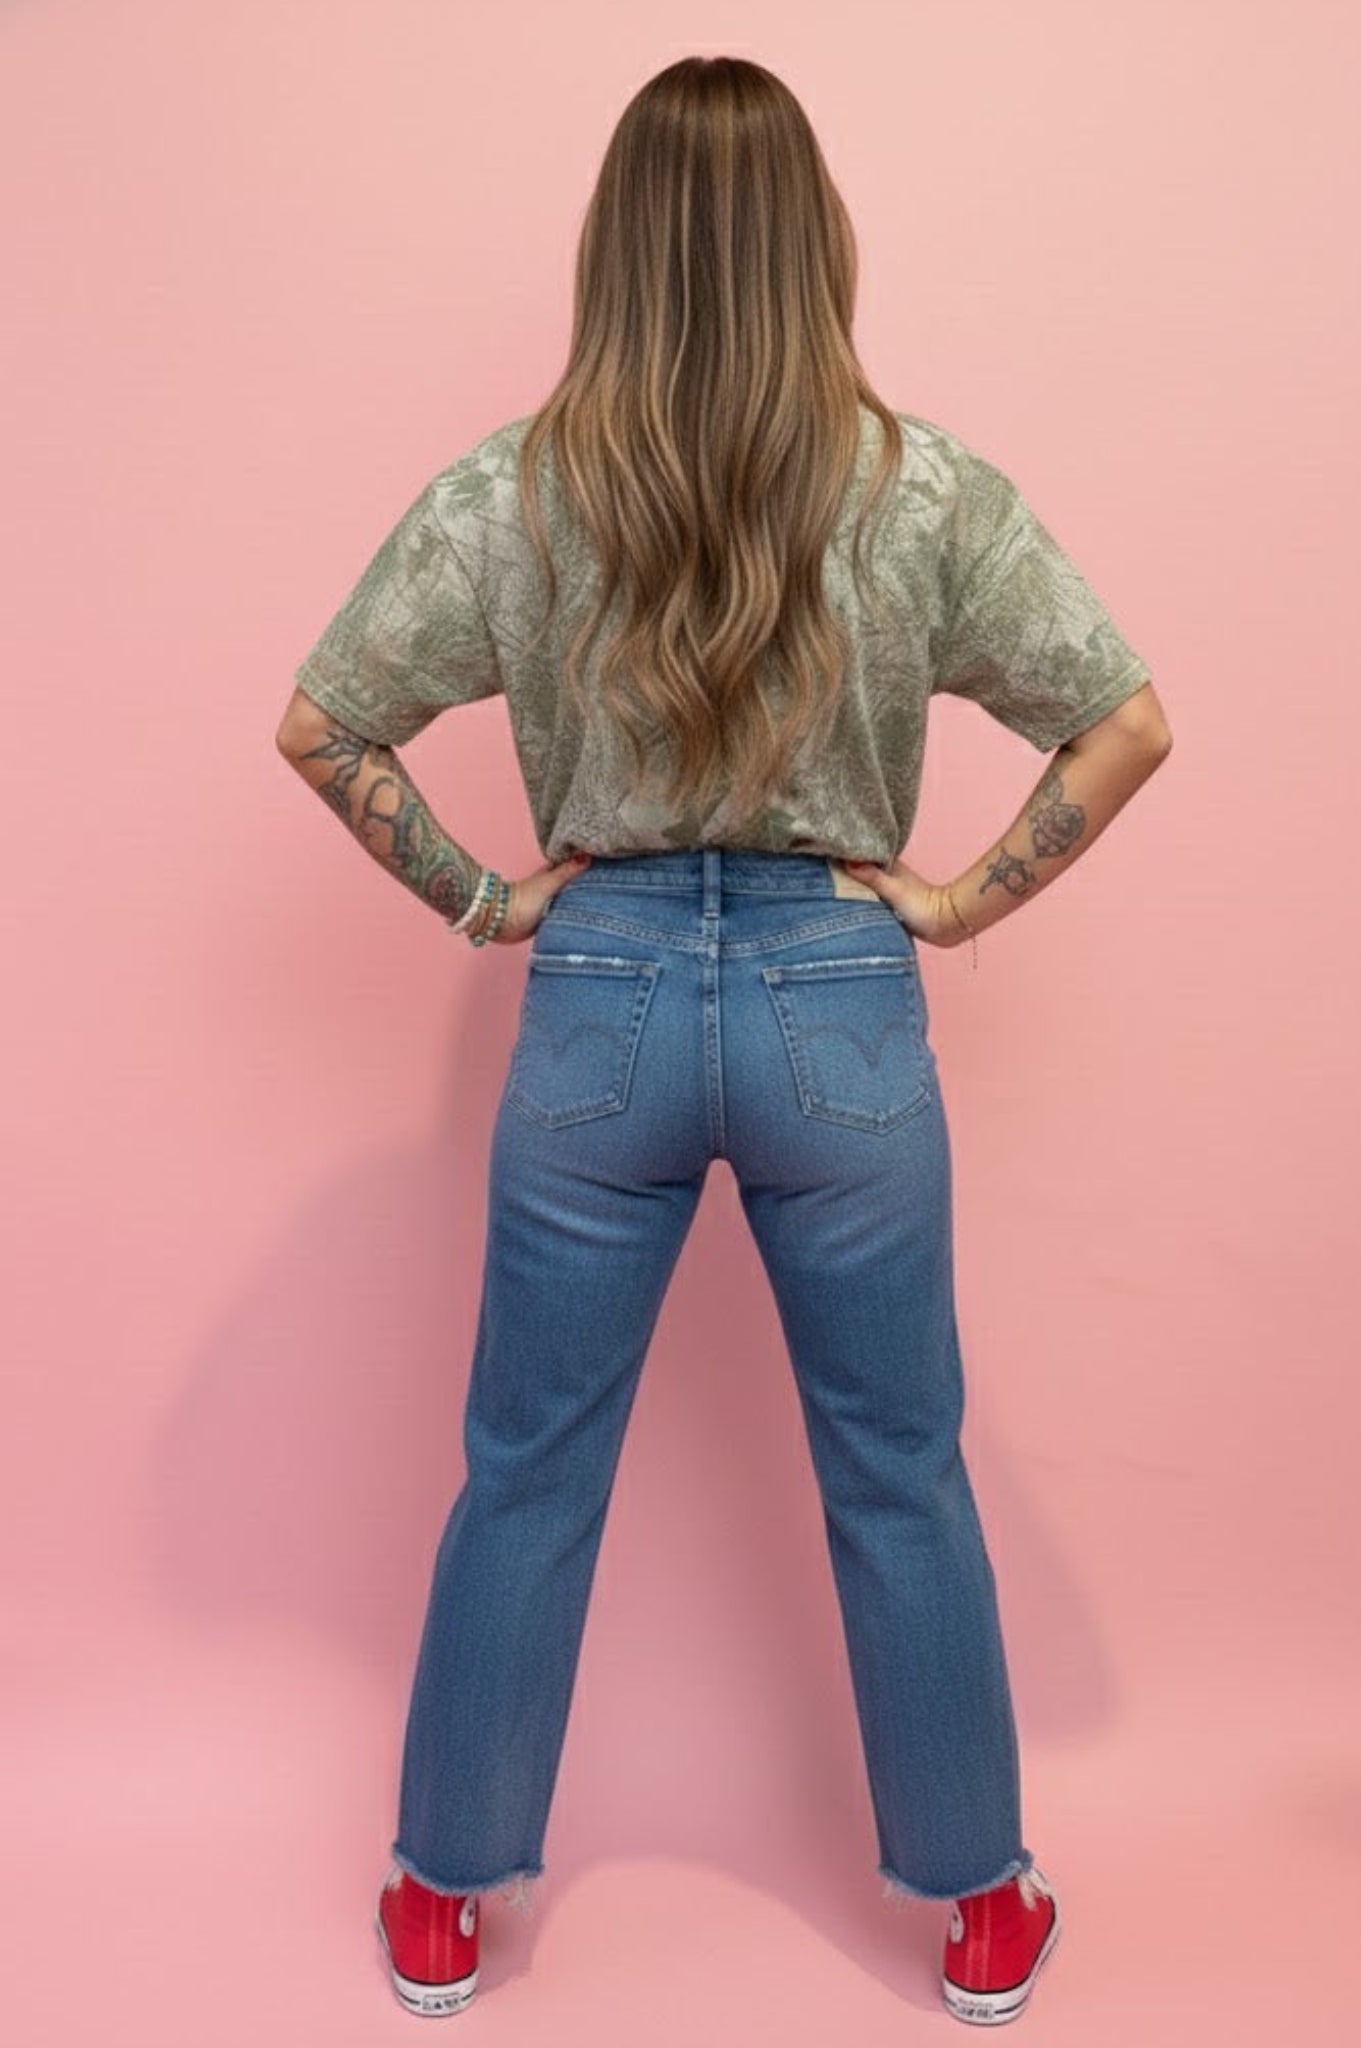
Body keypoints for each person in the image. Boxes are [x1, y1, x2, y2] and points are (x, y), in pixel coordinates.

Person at [276, 54, 1171, 2028]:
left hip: (592, 1001)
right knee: (901, 1470)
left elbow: (323, 723)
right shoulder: (921, 485)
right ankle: (981, 1908)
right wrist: (947, 900)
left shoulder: (512, 492)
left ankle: (442, 1896)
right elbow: (1125, 717)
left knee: (524, 1467)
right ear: (812, 248)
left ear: (619, 256)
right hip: (838, 1006)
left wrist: (492, 900)